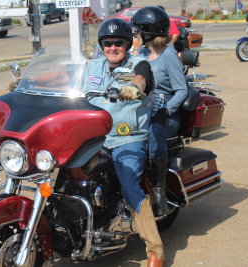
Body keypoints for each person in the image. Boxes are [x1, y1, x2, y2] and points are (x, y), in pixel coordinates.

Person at [83, 18, 165, 267]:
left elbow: (141, 79)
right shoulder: (91, 67)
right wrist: (37, 86)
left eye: (118, 42)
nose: (113, 47)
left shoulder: (138, 65)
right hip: (91, 137)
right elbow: (62, 78)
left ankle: (155, 250)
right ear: (101, 45)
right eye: (107, 43)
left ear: (128, 44)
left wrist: (133, 88)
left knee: (129, 183)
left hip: (126, 139)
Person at [131, 7, 188, 217]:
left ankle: (160, 192)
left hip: (166, 112)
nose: (135, 35)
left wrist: (167, 110)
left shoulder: (169, 55)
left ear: (148, 32)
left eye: (138, 31)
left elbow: (182, 89)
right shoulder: (142, 53)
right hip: (145, 107)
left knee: (154, 135)